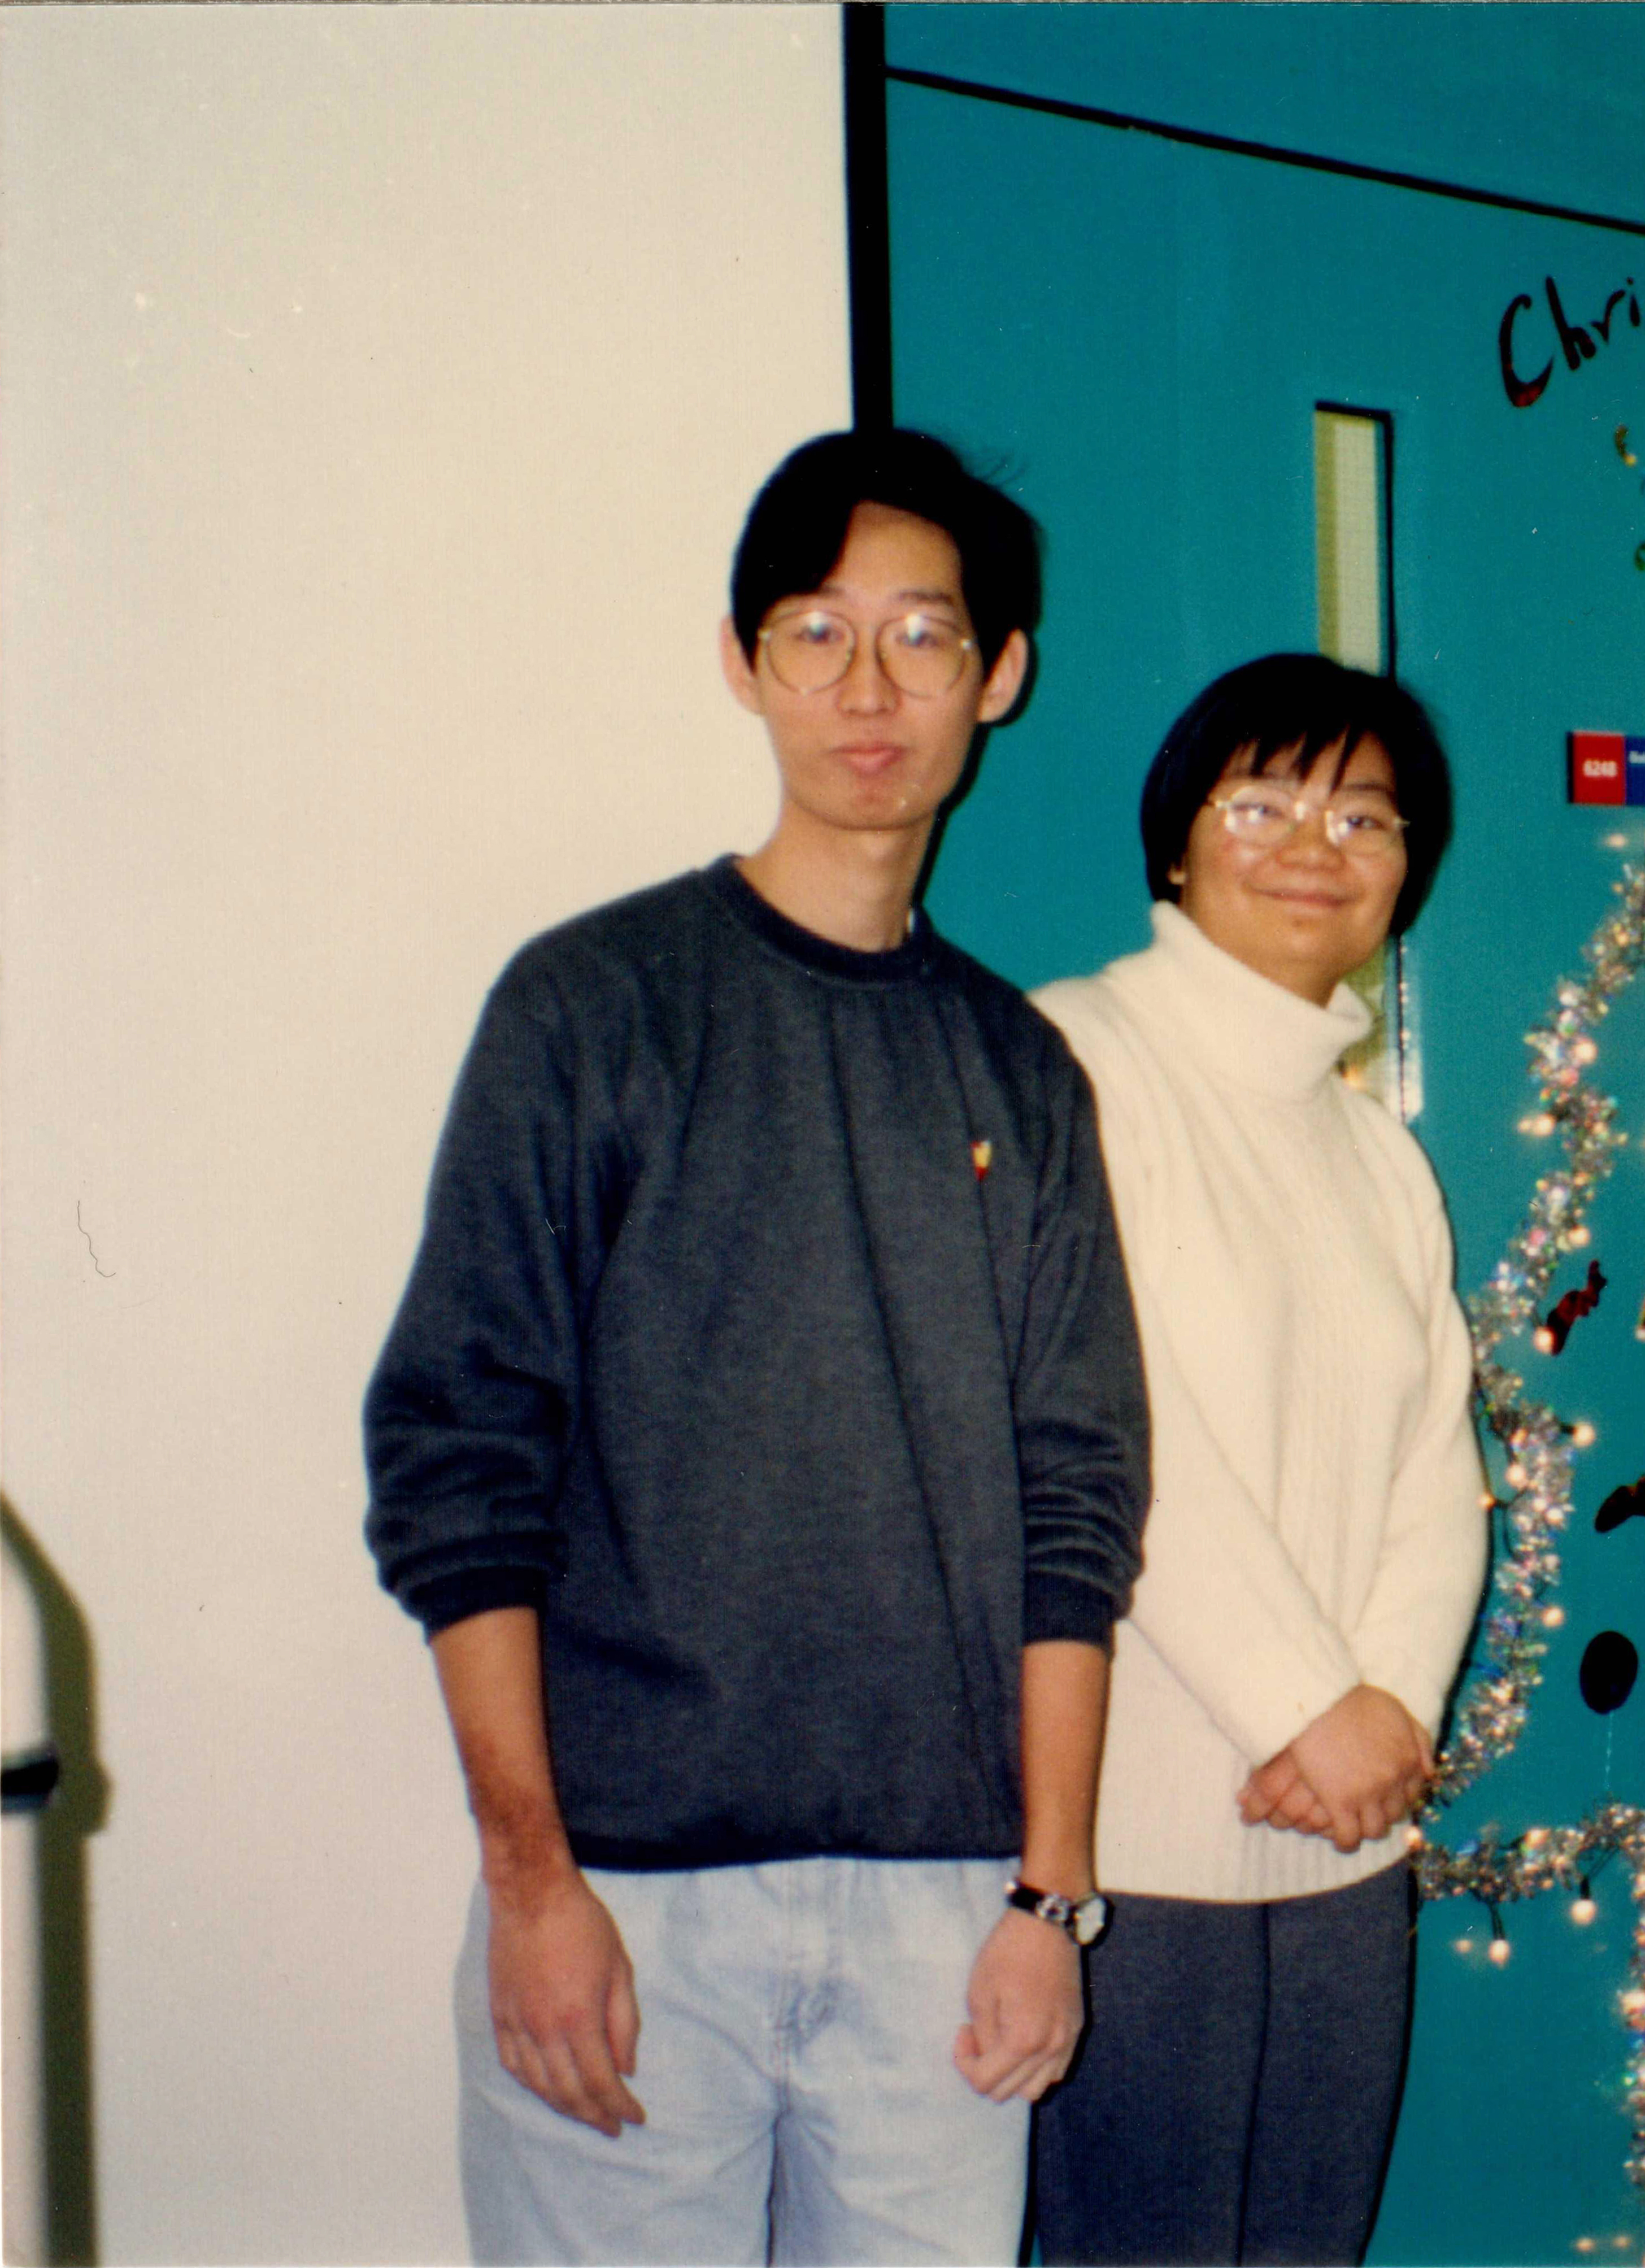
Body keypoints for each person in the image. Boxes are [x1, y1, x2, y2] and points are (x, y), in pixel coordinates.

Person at [363, 429, 1149, 2264]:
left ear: (1000, 672)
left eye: (920, 635)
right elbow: (458, 1458)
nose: (866, 688)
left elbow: (1074, 1508)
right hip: (631, 1901)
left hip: (944, 1917)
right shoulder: (592, 1006)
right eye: (814, 631)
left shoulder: (1022, 1079)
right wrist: (531, 1878)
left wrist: (1053, 1892)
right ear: (742, 660)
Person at [1026, 653, 1487, 2266]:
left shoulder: (1376, 1147)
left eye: (1367, 814)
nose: (1318, 843)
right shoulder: (1071, 1060)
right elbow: (1096, 1424)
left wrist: (1392, 1713)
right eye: (1265, 801)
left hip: (1351, 1841)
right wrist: (1314, 1705)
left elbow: (1442, 1469)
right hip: (1138, 1831)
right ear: (1175, 841)